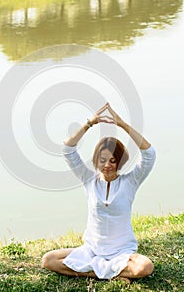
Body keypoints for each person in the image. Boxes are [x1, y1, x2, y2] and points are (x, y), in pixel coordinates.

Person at [41, 102, 156, 281]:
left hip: (121, 253)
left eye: (112, 160)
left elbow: (149, 154)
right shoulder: (89, 179)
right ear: (96, 160)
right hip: (92, 251)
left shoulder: (130, 181)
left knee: (145, 266)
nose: (107, 165)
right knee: (48, 260)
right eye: (102, 160)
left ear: (120, 162)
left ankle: (95, 272)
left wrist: (123, 124)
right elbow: (67, 150)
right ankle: (106, 274)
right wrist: (89, 123)